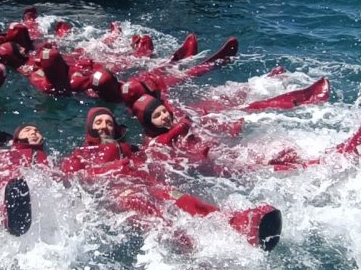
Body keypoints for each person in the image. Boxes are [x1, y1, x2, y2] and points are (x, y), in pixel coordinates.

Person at [62, 107, 282, 250]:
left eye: (108, 121)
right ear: (90, 128)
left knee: (183, 199)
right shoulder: (81, 153)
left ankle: (239, 223)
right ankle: (191, 251)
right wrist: (115, 167)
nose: (104, 126)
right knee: (146, 207)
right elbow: (74, 175)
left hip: (145, 183)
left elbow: (152, 157)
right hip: (119, 191)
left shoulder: (130, 148)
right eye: (99, 122)